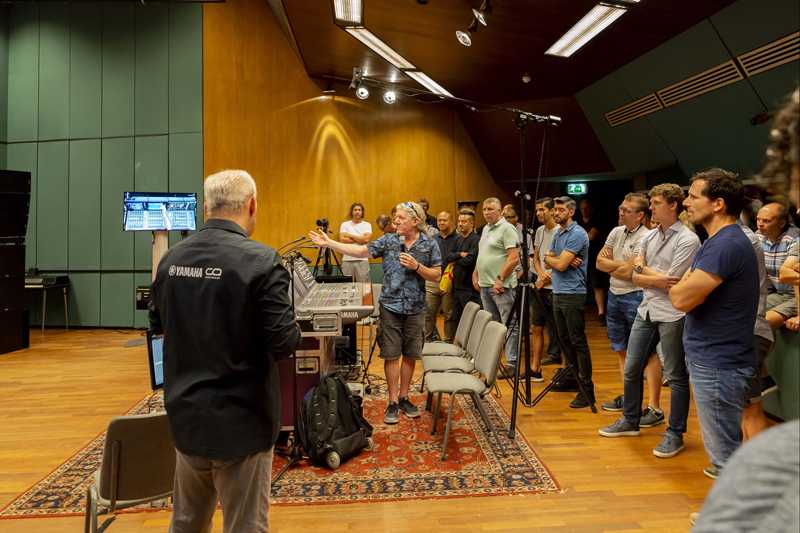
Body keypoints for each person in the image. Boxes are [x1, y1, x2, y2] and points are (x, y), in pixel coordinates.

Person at [149, 169, 301, 533]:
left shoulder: (170, 261)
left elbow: (158, 327)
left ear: (206, 208)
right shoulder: (263, 262)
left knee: (186, 524)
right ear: (252, 206)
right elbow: (283, 343)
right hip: (243, 426)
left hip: (187, 420)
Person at [310, 201, 441, 424]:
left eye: (401, 218)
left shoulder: (430, 244)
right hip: (390, 306)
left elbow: (437, 274)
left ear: (415, 221)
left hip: (416, 307)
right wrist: (330, 243)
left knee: (410, 354)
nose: (396, 221)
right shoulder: (388, 240)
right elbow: (361, 250)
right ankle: (391, 401)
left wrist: (417, 267)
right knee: (390, 354)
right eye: (395, 217)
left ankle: (404, 397)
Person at [599, 183, 699, 461]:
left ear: (673, 206)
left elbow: (675, 282)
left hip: (673, 313)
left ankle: (675, 433)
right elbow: (634, 274)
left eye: (655, 203)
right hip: (647, 308)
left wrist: (644, 272)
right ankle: (630, 420)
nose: (651, 208)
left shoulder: (688, 239)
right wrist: (648, 275)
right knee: (632, 368)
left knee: (677, 376)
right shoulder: (650, 237)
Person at [670, 169, 758, 479]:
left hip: (718, 363)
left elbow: (680, 298)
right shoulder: (716, 241)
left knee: (724, 456)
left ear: (718, 203)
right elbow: (687, 291)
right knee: (723, 451)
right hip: (712, 358)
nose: (686, 203)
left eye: (694, 196)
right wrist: (683, 286)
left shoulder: (726, 245)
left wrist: (677, 286)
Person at [596, 193, 663, 426]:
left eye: (626, 210)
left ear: (640, 215)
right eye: (621, 207)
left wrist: (615, 267)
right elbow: (599, 262)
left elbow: (630, 272)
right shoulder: (616, 232)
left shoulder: (647, 237)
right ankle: (629, 398)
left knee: (648, 354)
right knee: (621, 349)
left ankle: (654, 407)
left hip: (637, 297)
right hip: (615, 295)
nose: (621, 211)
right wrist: (619, 267)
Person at [544, 196, 594, 408]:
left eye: (560, 209)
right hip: (557, 291)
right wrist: (554, 259)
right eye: (555, 209)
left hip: (573, 293)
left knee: (577, 341)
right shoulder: (558, 233)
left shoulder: (578, 234)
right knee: (563, 339)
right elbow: (549, 257)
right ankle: (572, 379)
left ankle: (587, 390)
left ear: (571, 212)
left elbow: (561, 264)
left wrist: (556, 260)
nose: (556, 213)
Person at [474, 197, 521, 374]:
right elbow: (483, 254)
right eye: (484, 209)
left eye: (490, 209)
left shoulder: (507, 229)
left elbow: (513, 257)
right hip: (485, 284)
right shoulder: (486, 228)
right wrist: (476, 272)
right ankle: (493, 361)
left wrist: (500, 279)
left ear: (500, 211)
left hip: (502, 286)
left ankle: (512, 363)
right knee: (493, 324)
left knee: (509, 323)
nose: (486, 212)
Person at [530, 197, 561, 381]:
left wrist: (546, 276)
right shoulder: (540, 231)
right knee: (536, 327)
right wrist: (540, 274)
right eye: (537, 210)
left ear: (551, 211)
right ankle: (535, 367)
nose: (539, 213)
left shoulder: (560, 231)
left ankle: (565, 369)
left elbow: (562, 261)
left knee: (558, 329)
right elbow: (535, 256)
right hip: (540, 285)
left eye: (542, 210)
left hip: (555, 287)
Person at [756, 202, 797, 328]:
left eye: (766, 221)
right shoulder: (758, 236)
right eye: (758, 219)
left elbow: (786, 274)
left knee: (760, 324)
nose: (760, 224)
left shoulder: (794, 239)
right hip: (778, 293)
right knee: (744, 312)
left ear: (782, 223)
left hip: (795, 297)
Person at [425, 211, 458, 341]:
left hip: (449, 281)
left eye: (444, 220)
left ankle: (448, 343)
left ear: (450, 222)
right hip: (432, 281)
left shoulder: (458, 239)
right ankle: (426, 342)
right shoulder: (433, 239)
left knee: (449, 315)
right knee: (428, 313)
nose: (441, 223)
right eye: (439, 220)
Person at [449, 208, 481, 327]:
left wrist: (455, 259)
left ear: (472, 223)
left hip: (469, 289)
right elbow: (449, 256)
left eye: (464, 221)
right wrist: (459, 255)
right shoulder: (458, 239)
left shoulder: (476, 240)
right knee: (458, 320)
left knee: (471, 321)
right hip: (456, 287)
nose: (460, 224)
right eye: (459, 221)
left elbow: (470, 260)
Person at [580, 198, 609, 324]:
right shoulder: (577, 221)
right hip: (579, 258)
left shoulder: (597, 220)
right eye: (582, 208)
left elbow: (590, 236)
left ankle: (601, 312)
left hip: (594, 257)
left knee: (598, 285)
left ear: (591, 209)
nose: (584, 210)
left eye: (587, 208)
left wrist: (576, 238)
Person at [339, 202, 372, 282]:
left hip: (362, 260)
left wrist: (349, 235)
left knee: (364, 287)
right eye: (355, 210)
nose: (357, 212)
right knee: (347, 287)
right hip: (347, 260)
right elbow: (342, 240)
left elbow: (366, 240)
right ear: (352, 212)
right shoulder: (345, 224)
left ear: (362, 212)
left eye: (359, 210)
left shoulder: (367, 225)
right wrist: (360, 239)